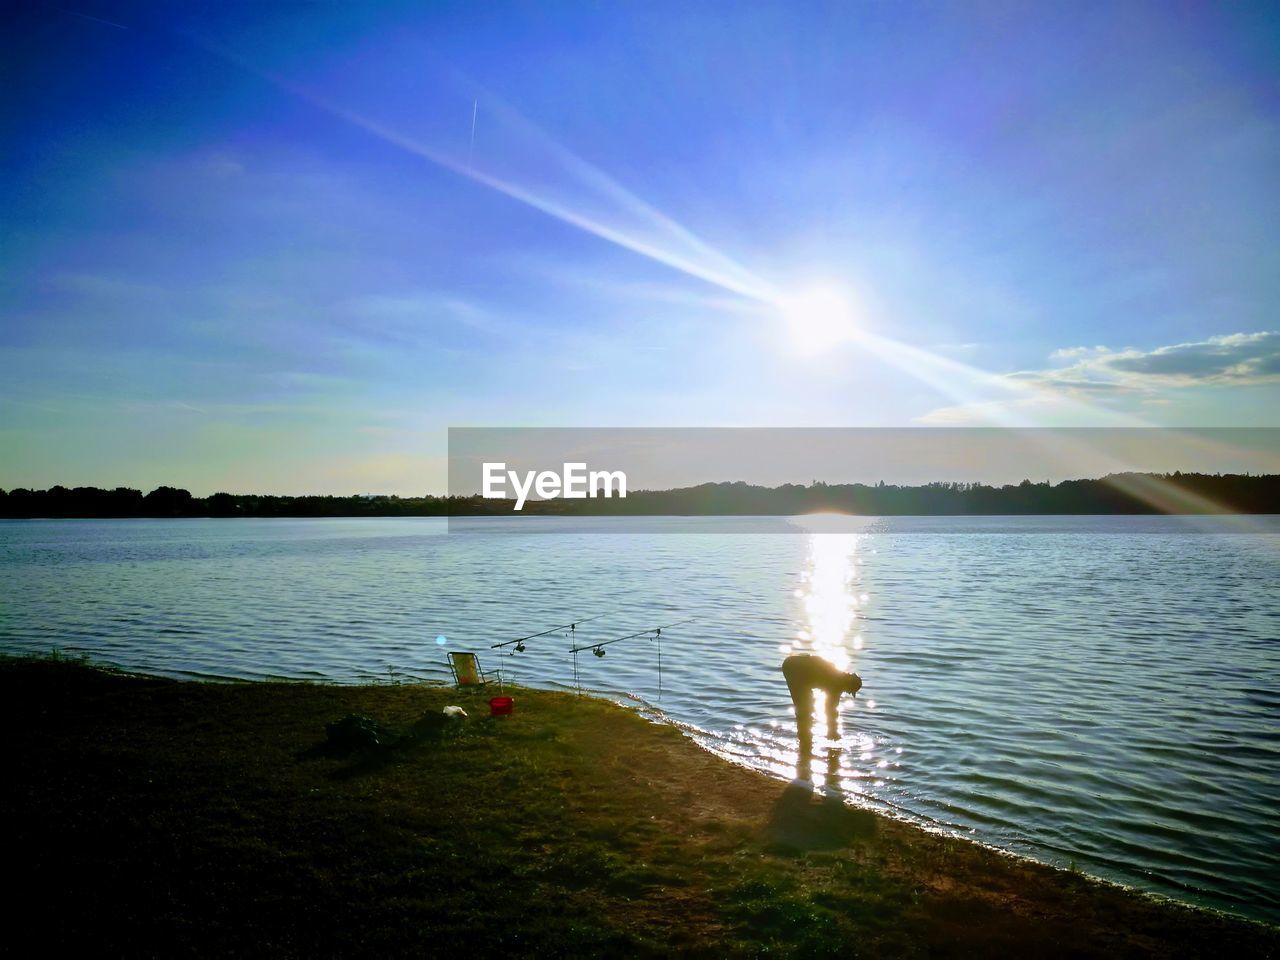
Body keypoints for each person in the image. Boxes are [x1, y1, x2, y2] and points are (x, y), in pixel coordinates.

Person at [782, 653, 862, 744]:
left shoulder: (837, 676)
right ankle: (805, 741)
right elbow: (831, 710)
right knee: (805, 710)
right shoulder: (837, 683)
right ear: (848, 685)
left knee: (806, 708)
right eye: (849, 691)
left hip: (792, 663)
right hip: (794, 668)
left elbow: (831, 709)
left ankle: (805, 741)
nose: (847, 692)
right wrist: (833, 732)